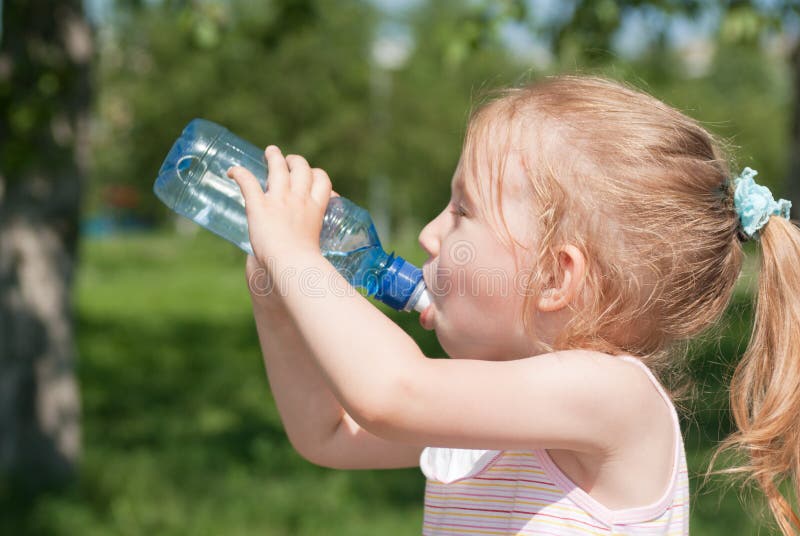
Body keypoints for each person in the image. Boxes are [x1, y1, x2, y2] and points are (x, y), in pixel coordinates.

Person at [226, 75, 796, 535]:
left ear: (554, 276)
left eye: (461, 211)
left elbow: (389, 392)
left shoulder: (612, 396)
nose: (429, 234)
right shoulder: (495, 399)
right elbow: (327, 435)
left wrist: (297, 253)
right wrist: (280, 304)